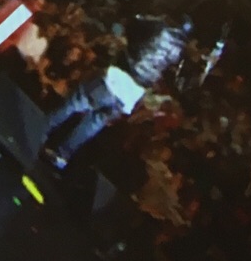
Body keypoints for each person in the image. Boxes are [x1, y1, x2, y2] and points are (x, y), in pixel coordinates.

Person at [41, 16, 191, 172]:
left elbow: (134, 24)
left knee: (77, 101)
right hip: (133, 93)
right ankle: (62, 154)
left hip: (119, 77)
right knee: (94, 122)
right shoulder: (179, 51)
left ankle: (41, 130)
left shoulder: (160, 28)